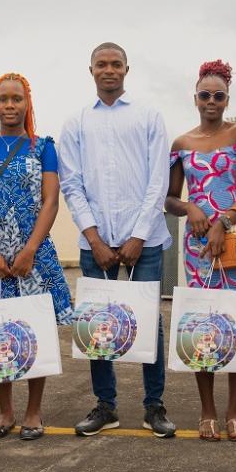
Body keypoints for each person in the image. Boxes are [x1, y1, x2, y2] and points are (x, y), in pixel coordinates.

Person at [59, 42, 177, 438]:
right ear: (90, 70)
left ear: (127, 69)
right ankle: (105, 405)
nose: (108, 70)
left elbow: (158, 181)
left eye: (115, 64)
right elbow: (71, 184)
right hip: (96, 242)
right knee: (98, 325)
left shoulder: (148, 116)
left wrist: (139, 235)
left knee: (149, 323)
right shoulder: (76, 122)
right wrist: (93, 237)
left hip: (144, 240)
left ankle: (154, 405)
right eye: (101, 65)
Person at [0, 72, 74, 441]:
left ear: (27, 103)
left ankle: (33, 412)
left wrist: (30, 250)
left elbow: (51, 200)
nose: (10, 105)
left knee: (35, 330)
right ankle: (5, 412)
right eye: (3, 99)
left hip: (33, 254)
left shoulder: (44, 148)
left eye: (16, 99)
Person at [165, 60, 236, 442]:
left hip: (235, 243)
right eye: (204, 95)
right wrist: (190, 208)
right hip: (197, 248)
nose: (211, 101)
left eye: (218, 96)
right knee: (201, 325)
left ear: (227, 99)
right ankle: (207, 411)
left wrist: (224, 220)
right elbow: (170, 199)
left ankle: (234, 410)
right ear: (195, 98)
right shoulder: (182, 143)